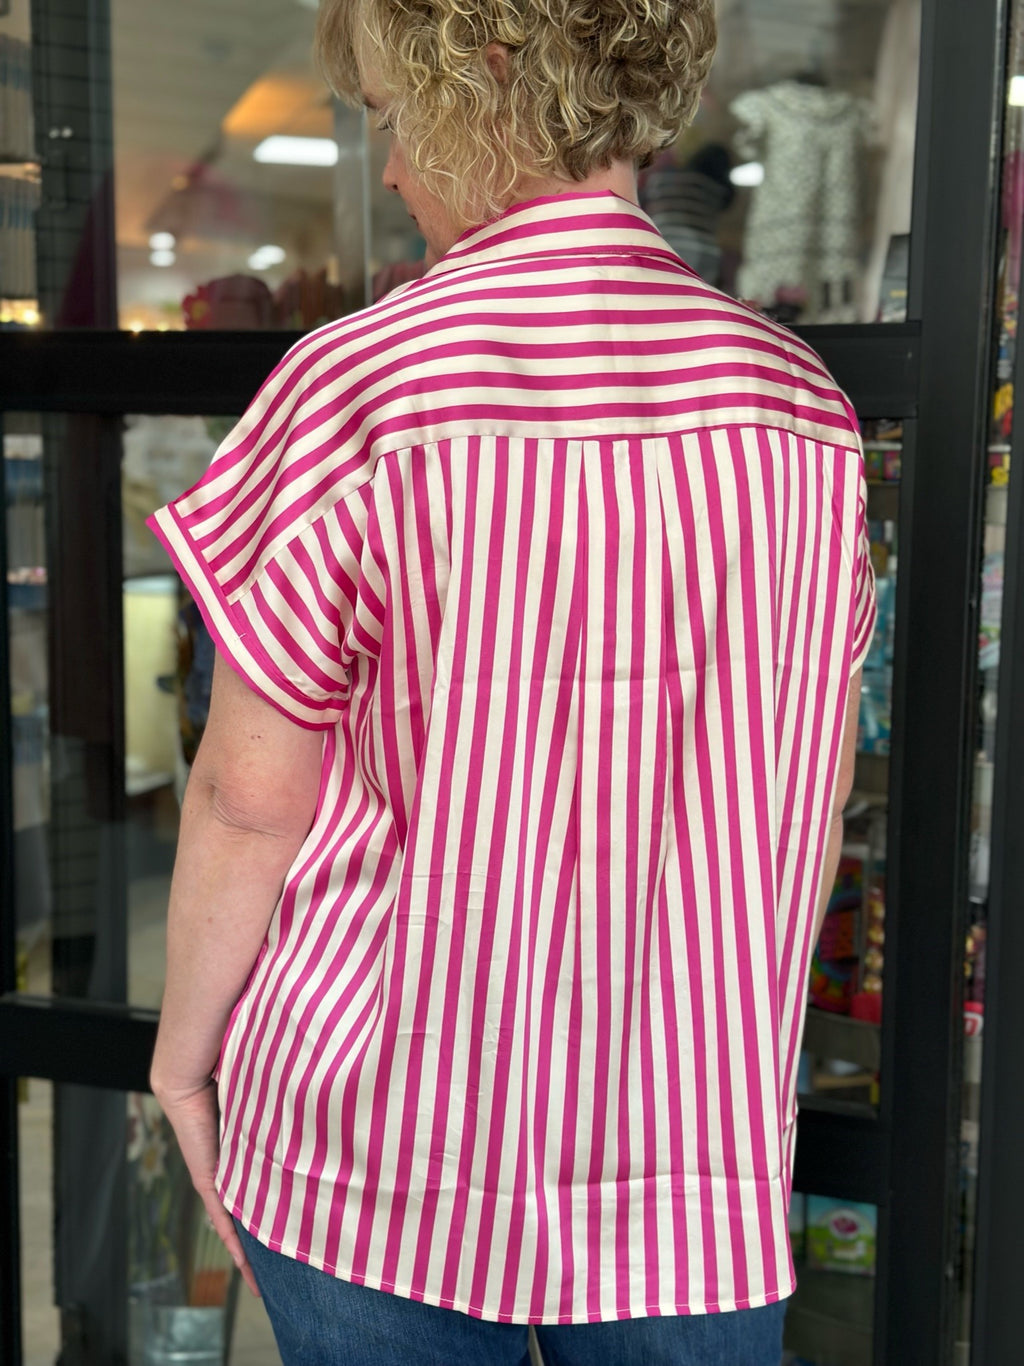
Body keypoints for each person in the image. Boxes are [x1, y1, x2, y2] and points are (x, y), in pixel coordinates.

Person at [148, 1, 875, 1362]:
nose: (389, 171)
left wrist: (183, 1057)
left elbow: (250, 801)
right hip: (683, 1148)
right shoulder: (799, 405)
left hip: (375, 1136)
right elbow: (809, 796)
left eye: (388, 118)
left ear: (481, 78)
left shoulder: (360, 388)